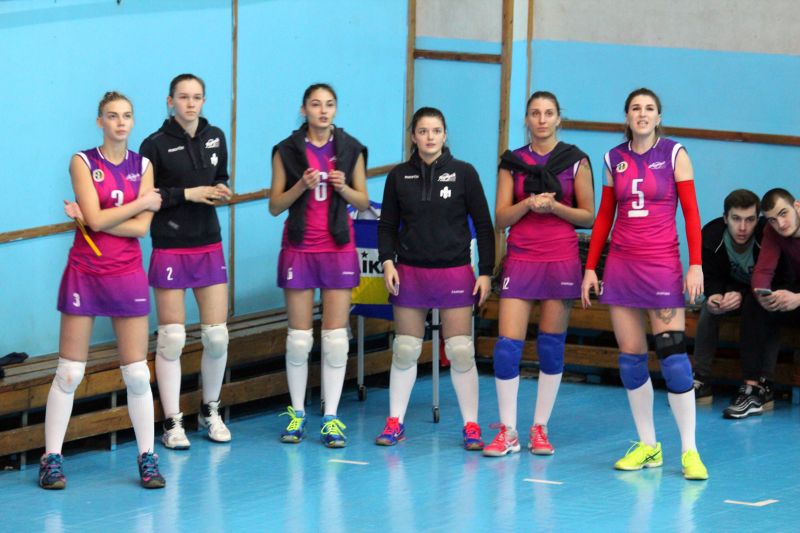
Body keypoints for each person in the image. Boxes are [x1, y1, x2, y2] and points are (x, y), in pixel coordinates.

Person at [581, 88, 708, 480]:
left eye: (649, 108)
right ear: (626, 116)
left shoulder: (674, 154)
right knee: (631, 357)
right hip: (622, 266)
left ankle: (689, 451)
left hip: (661, 265)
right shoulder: (612, 159)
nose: (642, 114)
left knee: (674, 358)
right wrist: (590, 268)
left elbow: (691, 213)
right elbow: (604, 217)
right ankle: (648, 445)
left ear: (658, 116)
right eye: (635, 108)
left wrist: (696, 264)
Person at [40, 91, 165, 489]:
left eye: (126, 115)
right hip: (86, 271)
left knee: (137, 374)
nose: (120, 122)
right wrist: (139, 203)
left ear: (133, 121)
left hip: (126, 272)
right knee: (69, 371)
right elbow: (95, 221)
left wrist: (101, 217)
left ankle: (147, 457)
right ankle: (51, 459)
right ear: (100, 122)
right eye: (112, 116)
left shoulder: (143, 165)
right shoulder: (82, 162)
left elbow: (140, 230)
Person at [375, 107, 495, 450]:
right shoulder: (398, 176)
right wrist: (387, 262)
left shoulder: (465, 173)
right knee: (405, 349)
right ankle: (395, 422)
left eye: (436, 131)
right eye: (423, 131)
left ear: (445, 135)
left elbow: (484, 225)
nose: (430, 137)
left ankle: (471, 426)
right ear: (413, 136)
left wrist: (486, 272)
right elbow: (387, 225)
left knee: (460, 350)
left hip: (454, 272)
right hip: (411, 273)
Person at [482, 92, 594, 457]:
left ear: (559, 118)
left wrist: (556, 207)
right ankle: (508, 430)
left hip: (560, 258)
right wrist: (528, 204)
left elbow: (589, 216)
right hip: (522, 256)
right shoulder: (512, 162)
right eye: (535, 113)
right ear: (526, 119)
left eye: (548, 113)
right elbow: (501, 218)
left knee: (550, 346)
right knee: (506, 348)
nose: (542, 119)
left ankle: (540, 428)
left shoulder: (576, 160)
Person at [269, 83, 369, 448]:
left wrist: (344, 188)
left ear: (336, 110)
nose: (323, 111)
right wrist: (301, 185)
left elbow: (363, 201)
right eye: (315, 104)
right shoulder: (286, 150)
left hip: (337, 248)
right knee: (299, 339)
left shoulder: (351, 149)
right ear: (304, 110)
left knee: (336, 338)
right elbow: (275, 205)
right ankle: (297, 414)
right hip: (299, 247)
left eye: (329, 104)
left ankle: (331, 417)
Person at [139, 73, 233, 449]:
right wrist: (188, 194)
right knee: (172, 338)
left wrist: (221, 189)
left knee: (217, 336)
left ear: (203, 101)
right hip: (170, 245)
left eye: (197, 97)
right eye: (183, 97)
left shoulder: (216, 136)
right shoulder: (154, 144)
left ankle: (210, 411)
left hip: (208, 243)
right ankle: (172, 422)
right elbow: (147, 196)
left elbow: (221, 177)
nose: (190, 103)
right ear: (170, 101)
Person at [694, 189, 792, 418]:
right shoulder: (711, 235)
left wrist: (743, 293)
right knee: (709, 310)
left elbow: (779, 279)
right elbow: (711, 277)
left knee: (765, 308)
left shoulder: (768, 236)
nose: (742, 227)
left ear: (758, 220)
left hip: (760, 295)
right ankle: (701, 379)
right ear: (725, 218)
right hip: (729, 291)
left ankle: (763, 384)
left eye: (750, 220)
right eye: (736, 219)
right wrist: (715, 297)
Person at [752, 188, 800, 336]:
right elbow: (763, 271)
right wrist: (763, 297)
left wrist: (798, 298)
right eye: (772, 220)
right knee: (756, 307)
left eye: (783, 213)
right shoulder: (772, 231)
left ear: (797, 206)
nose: (780, 224)